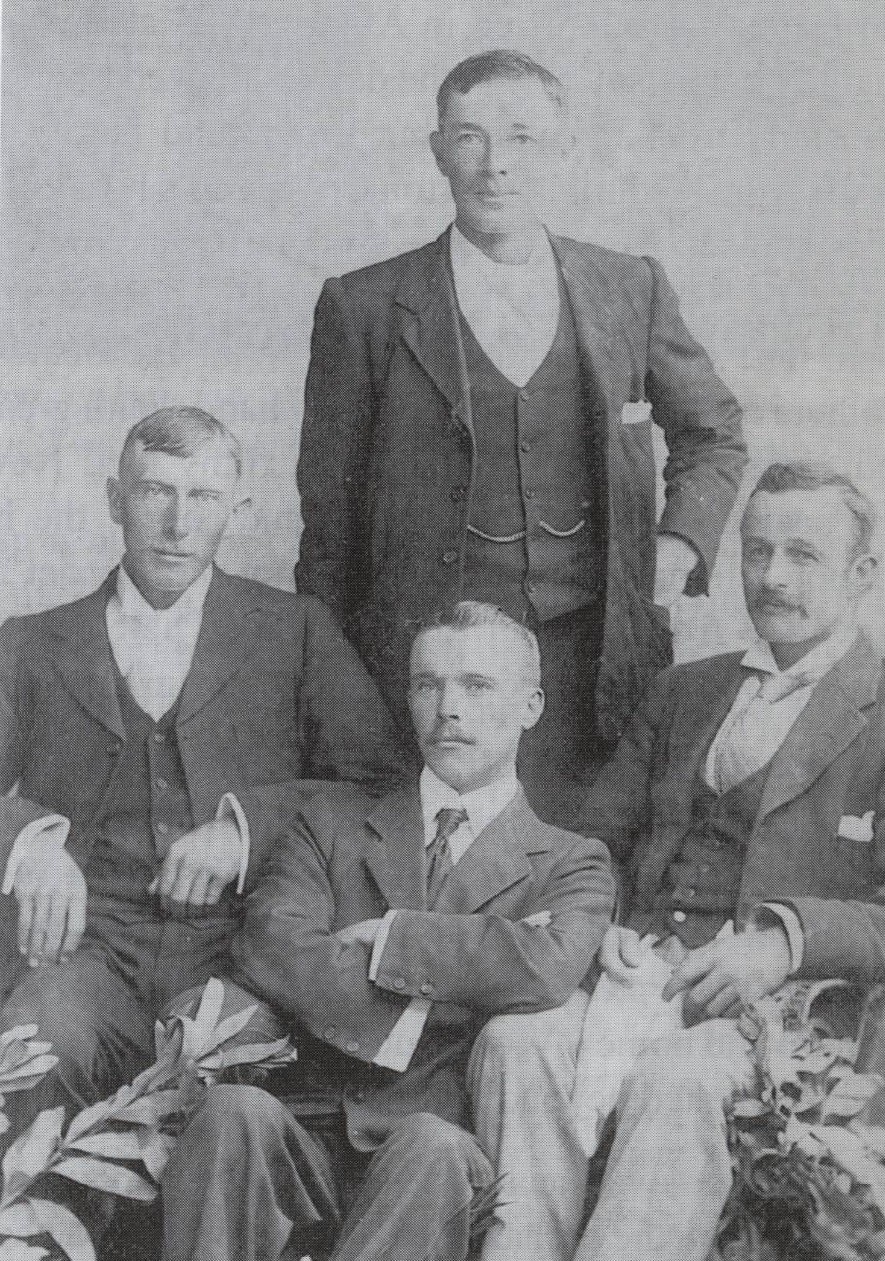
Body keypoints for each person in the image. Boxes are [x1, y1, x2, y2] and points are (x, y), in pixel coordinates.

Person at [295, 49, 746, 825]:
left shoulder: (627, 287)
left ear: (562, 148)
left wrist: (677, 549)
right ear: (438, 149)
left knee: (585, 878)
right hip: (429, 672)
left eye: (522, 140)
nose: (495, 165)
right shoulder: (364, 307)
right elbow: (328, 526)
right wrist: (339, 694)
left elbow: (713, 432)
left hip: (594, 663)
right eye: (469, 137)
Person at [468, 460, 885, 1261]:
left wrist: (780, 941)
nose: (770, 576)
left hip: (787, 1017)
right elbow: (593, 846)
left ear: (861, 574)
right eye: (755, 551)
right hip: (642, 976)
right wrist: (602, 925)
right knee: (514, 1046)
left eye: (802, 555)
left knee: (679, 1074)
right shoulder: (684, 690)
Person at [160, 601, 616, 1261]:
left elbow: (545, 967)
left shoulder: (570, 861)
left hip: (439, 1152)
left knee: (429, 1147)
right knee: (233, 1112)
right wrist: (465, 975)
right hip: (304, 1128)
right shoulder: (334, 821)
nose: (447, 707)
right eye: (428, 684)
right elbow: (268, 945)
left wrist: (392, 940)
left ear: (531, 705)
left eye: (477, 685)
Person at [0, 406, 405, 1137]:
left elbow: (379, 786)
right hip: (85, 948)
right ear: (115, 500)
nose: (177, 524)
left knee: (219, 1070)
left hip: (241, 952)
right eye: (155, 491)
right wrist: (30, 841)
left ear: (237, 511)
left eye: (204, 498)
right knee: (32, 1041)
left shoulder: (294, 630)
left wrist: (244, 830)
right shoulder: (34, 642)